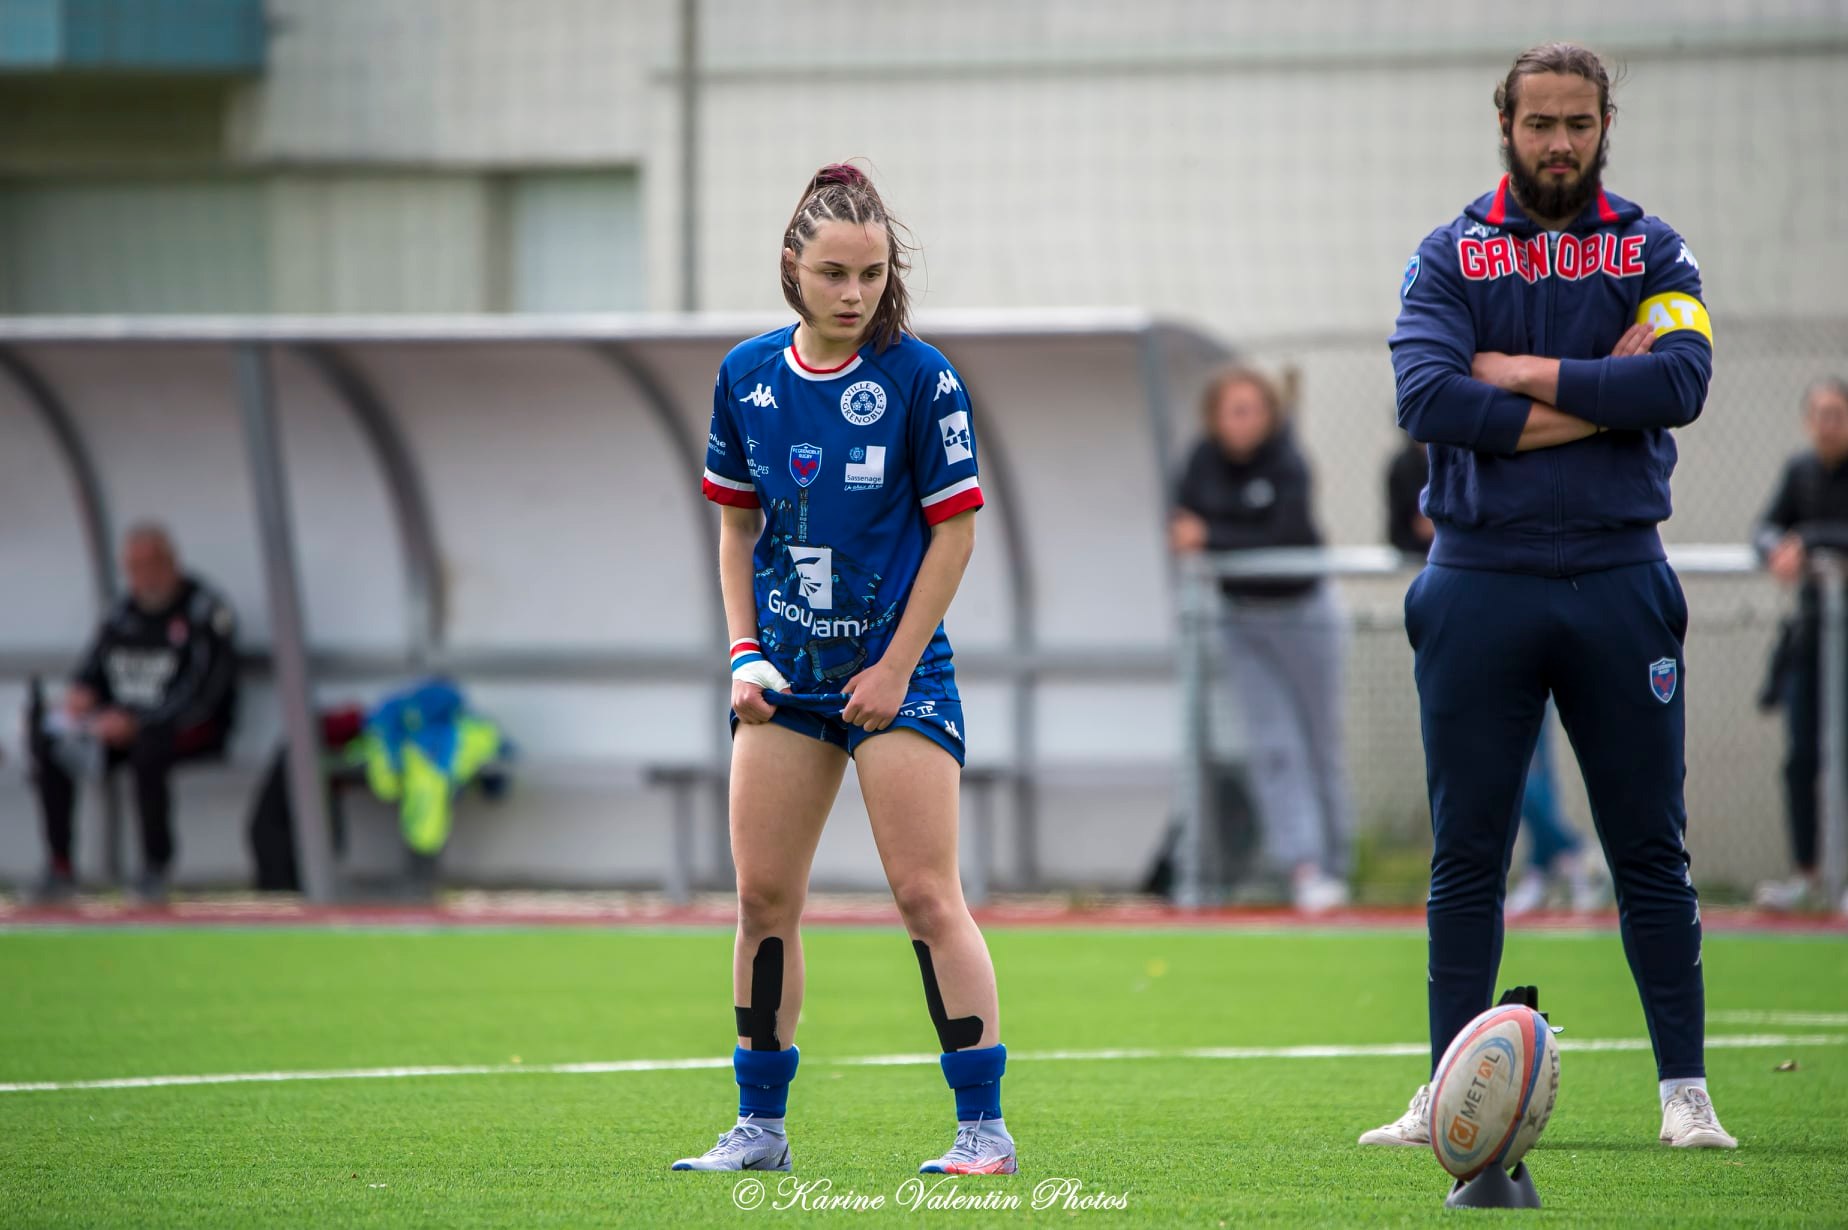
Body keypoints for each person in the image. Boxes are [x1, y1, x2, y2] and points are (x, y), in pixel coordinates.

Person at [1360, 44, 1736, 1151]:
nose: (1560, 142)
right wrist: (1601, 399)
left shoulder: (1654, 248)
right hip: (1478, 580)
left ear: (1605, 122)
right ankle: (1444, 1096)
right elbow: (1428, 396)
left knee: (1647, 849)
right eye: (1540, 123)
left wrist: (1515, 373)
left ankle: (1686, 1096)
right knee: (1467, 852)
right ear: (1505, 125)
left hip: (1621, 576)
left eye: (1579, 122)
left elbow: (1682, 382)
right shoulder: (1450, 254)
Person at [673, 163, 1012, 1176]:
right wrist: (743, 652)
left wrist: (896, 669)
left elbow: (954, 538)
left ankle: (981, 1131)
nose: (854, 293)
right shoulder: (745, 375)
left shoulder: (920, 378)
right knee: (764, 900)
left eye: (870, 273)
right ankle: (760, 1130)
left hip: (897, 676)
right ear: (793, 267)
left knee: (924, 894)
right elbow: (737, 529)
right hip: (787, 681)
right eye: (833, 273)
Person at [1384, 438, 1601, 916]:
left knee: (1532, 755)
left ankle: (1552, 861)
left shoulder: (1503, 441)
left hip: (1521, 607)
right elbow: (1403, 532)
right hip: (1461, 617)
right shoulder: (1406, 466)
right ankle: (1564, 853)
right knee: (1487, 754)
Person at [1172, 367, 1354, 911]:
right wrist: (1220, 535)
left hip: (1304, 614)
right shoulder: (1202, 462)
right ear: (1214, 416)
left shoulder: (1287, 459)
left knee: (1320, 741)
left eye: (1254, 408)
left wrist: (1216, 535)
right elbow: (1183, 528)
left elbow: (1286, 531)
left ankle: (1340, 862)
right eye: (1233, 409)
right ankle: (1304, 867)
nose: (1244, 420)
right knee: (1274, 744)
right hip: (1241, 619)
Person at [25, 523, 238, 904]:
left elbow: (203, 693)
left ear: (171, 561)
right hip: (119, 728)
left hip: (188, 730)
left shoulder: (204, 610)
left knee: (148, 751)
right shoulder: (123, 611)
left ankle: (155, 869)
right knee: (50, 744)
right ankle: (60, 867)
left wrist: (139, 722)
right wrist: (82, 698)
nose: (142, 575)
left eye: (150, 563)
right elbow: (94, 668)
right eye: (133, 566)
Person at [1752, 377, 1848, 913]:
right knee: (1801, 757)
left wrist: (1807, 542)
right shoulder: (1801, 472)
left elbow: (1823, 536)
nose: (1829, 424)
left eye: (1839, 413)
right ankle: (1808, 875)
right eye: (1821, 414)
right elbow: (1764, 529)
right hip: (1813, 635)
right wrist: (1776, 549)